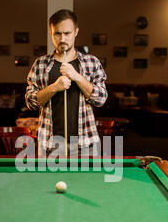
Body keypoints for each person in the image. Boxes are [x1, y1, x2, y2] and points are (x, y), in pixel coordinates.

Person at [25, 9, 107, 157]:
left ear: (76, 32)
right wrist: (54, 87)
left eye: (67, 33)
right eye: (57, 33)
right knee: (47, 181)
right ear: (51, 33)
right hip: (50, 144)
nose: (62, 38)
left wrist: (77, 77)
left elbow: (101, 99)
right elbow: (31, 102)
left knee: (88, 181)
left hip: (85, 143)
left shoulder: (91, 62)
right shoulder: (41, 64)